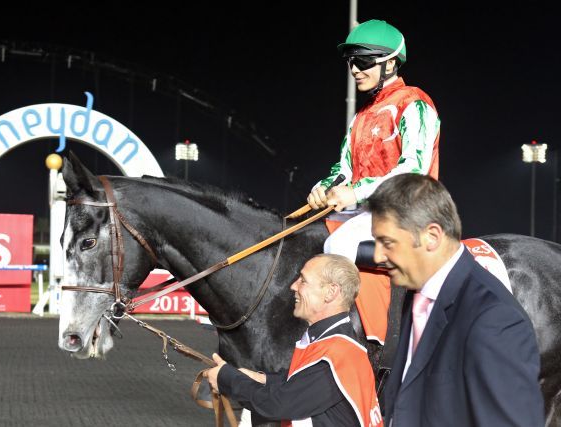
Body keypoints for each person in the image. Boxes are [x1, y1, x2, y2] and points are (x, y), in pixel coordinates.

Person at [366, 173, 544, 426]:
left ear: (432, 236)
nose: (377, 256)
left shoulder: (495, 320)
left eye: (387, 242)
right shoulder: (416, 293)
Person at [307, 19, 440, 266]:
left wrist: (355, 193)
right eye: (350, 62)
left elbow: (414, 171)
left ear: (390, 63)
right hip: (366, 210)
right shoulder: (361, 115)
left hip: (407, 211)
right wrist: (324, 188)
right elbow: (345, 171)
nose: (355, 70)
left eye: (363, 61)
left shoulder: (414, 103)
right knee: (308, 238)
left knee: (337, 244)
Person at [204, 254, 382, 426]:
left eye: (303, 280)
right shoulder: (333, 341)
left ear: (331, 292)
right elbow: (303, 383)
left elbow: (277, 405)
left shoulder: (338, 353)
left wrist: (225, 378)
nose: (293, 286)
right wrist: (262, 379)